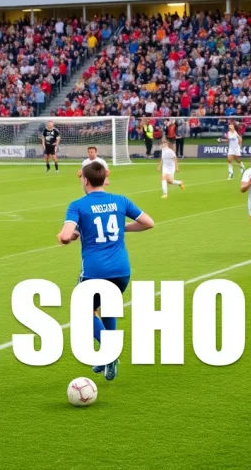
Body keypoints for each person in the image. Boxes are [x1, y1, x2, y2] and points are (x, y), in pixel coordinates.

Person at [57, 162, 155, 380]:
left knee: (82, 313)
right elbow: (149, 223)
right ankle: (106, 360)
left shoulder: (78, 205)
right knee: (108, 309)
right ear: (104, 179)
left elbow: (65, 236)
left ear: (85, 180)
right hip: (121, 270)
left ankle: (110, 352)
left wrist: (67, 236)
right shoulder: (120, 200)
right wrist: (122, 228)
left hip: (95, 271)